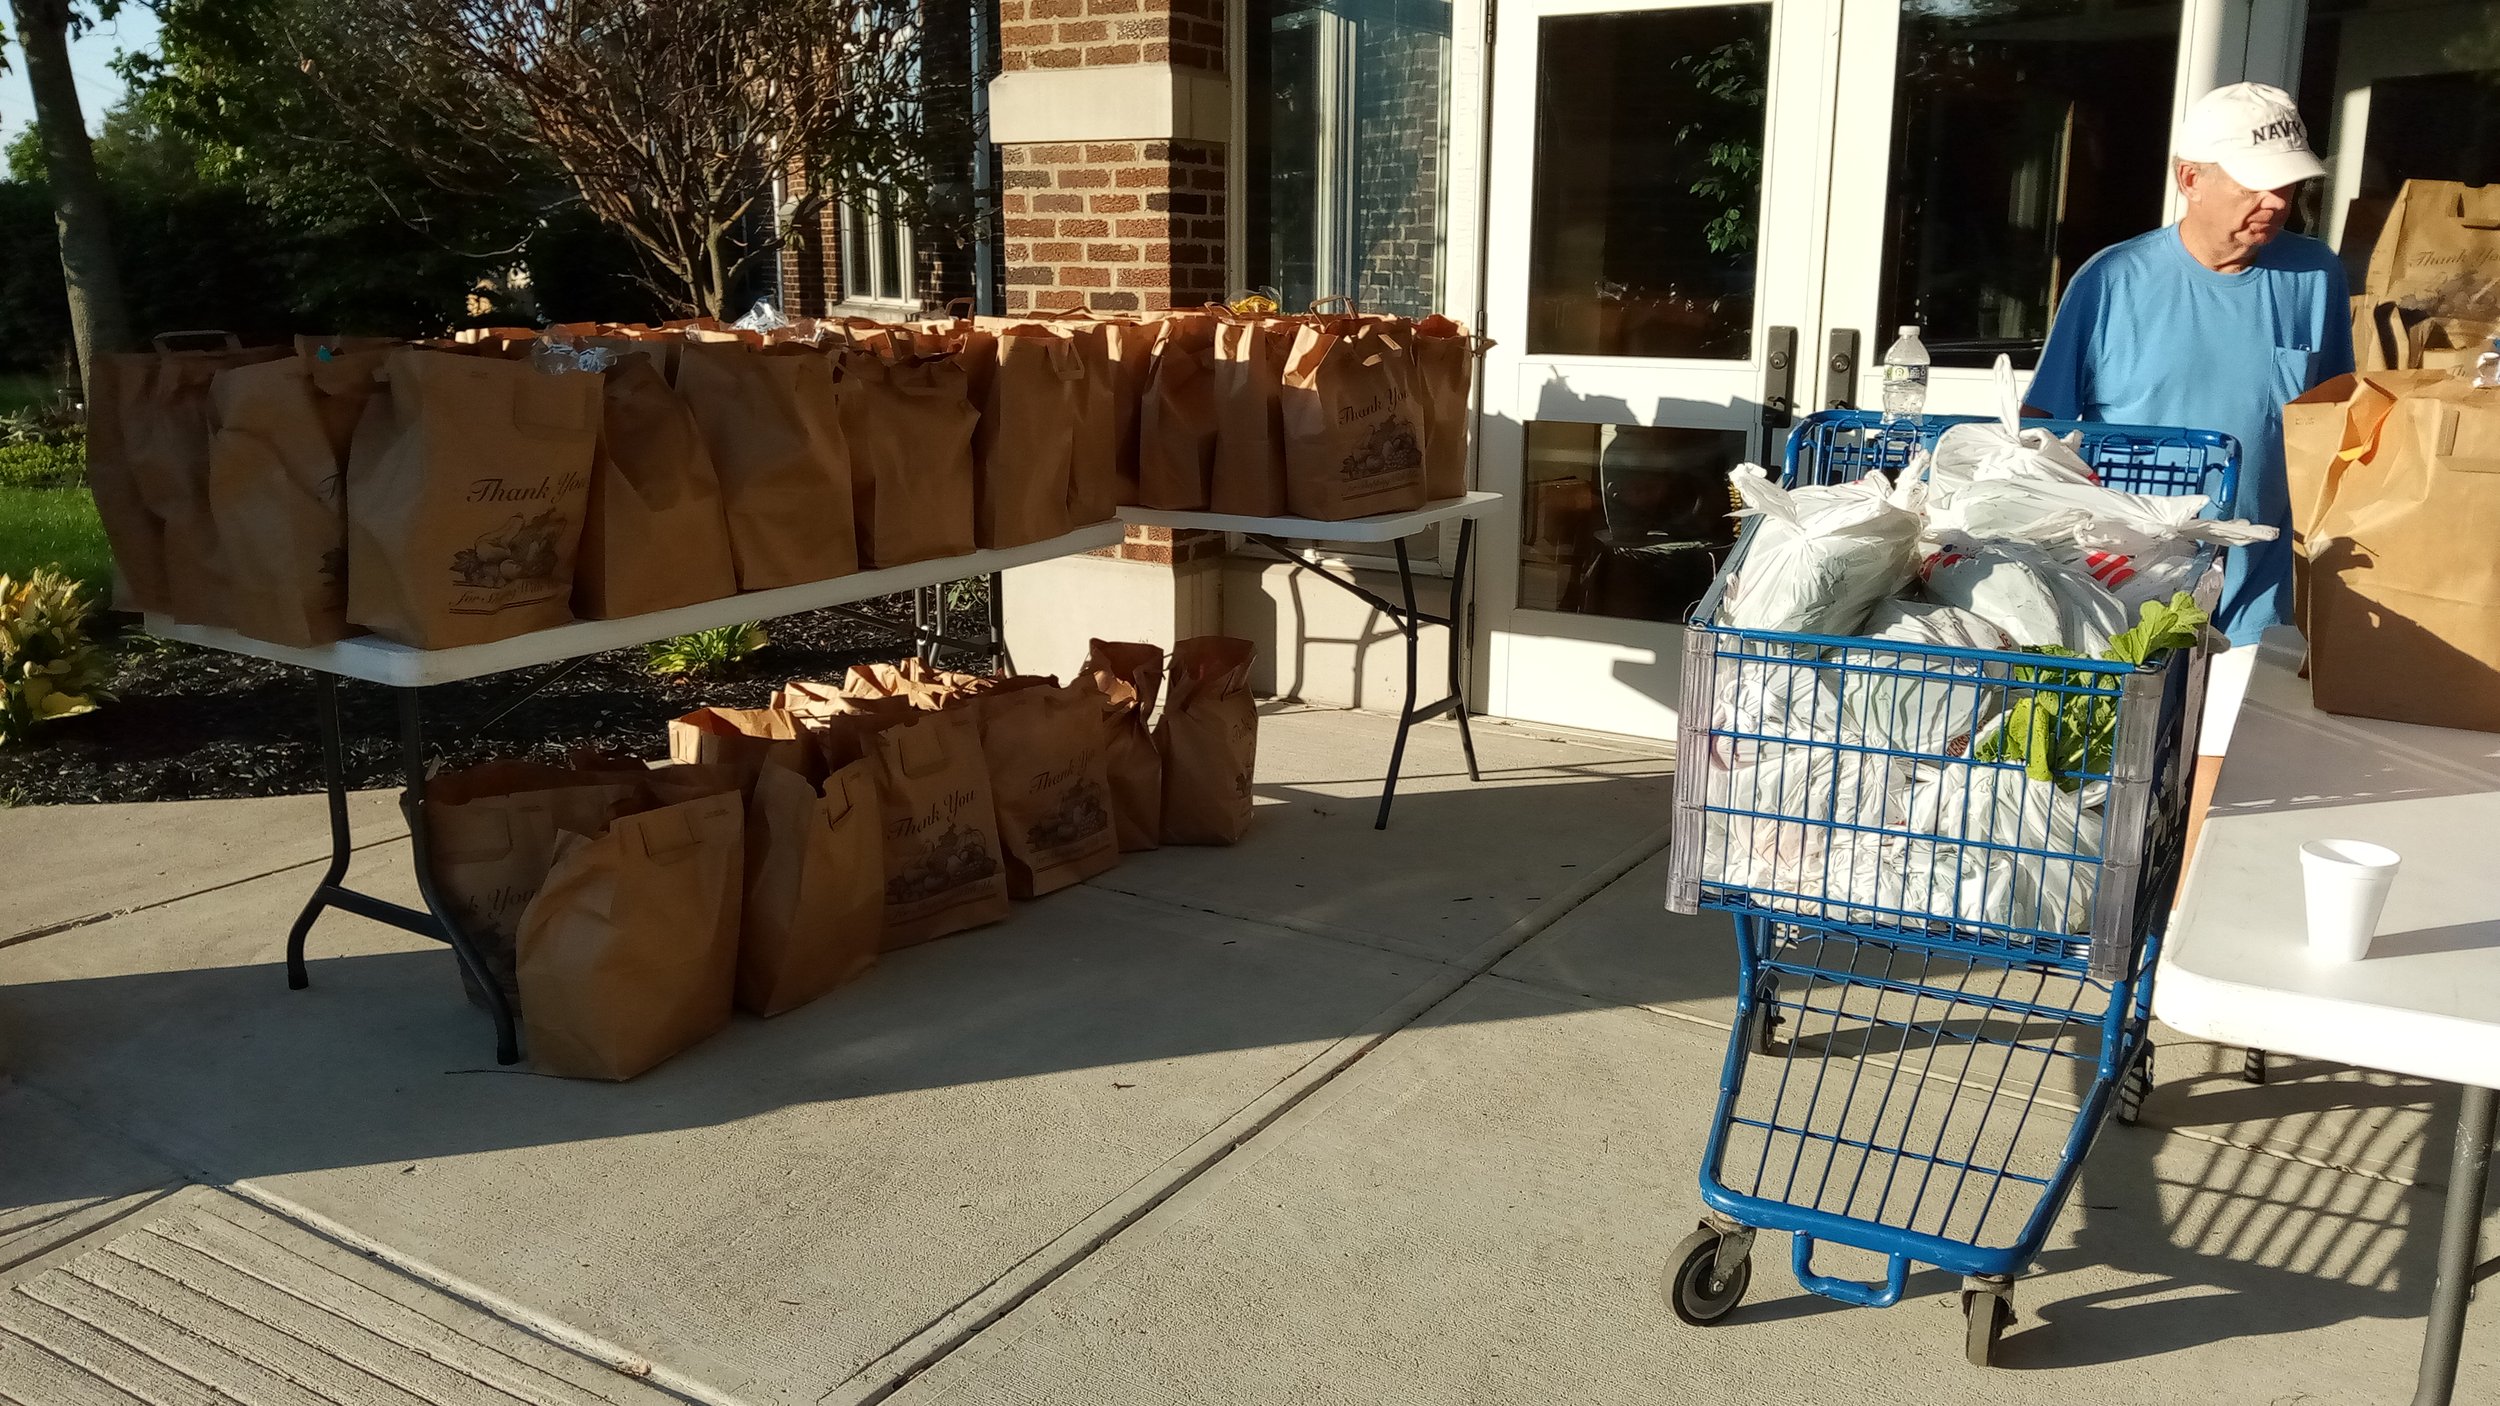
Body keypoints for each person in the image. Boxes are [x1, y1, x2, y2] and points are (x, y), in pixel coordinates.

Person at [2024, 82, 2354, 849]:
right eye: (2254, 182)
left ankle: (2174, 937)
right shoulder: (2112, 279)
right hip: (2126, 589)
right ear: (2190, 177)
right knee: (2117, 785)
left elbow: (2329, 420)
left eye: (2287, 183)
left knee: (2218, 793)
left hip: (2256, 590)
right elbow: (2045, 432)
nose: (2274, 201)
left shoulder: (2315, 276)